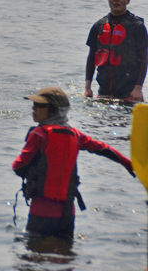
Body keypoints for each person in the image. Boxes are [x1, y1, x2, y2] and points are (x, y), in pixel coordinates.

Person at [12, 87, 135, 240]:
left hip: (41, 212)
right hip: (67, 213)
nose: (33, 108)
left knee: (34, 255)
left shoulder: (38, 134)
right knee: (65, 257)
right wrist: (127, 163)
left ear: (52, 111)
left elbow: (18, 167)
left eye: (38, 106)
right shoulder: (76, 135)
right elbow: (102, 148)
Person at [84, 0, 148, 102]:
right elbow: (91, 57)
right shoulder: (99, 26)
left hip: (129, 93)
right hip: (104, 91)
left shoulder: (137, 26)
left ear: (128, 0)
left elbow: (144, 59)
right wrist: (88, 87)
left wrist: (138, 88)